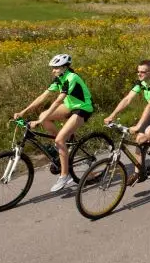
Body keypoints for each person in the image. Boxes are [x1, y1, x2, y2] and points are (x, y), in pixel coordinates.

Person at [13, 53, 95, 192]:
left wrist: (40, 121)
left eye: (56, 68)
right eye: (53, 68)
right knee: (45, 115)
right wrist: (23, 112)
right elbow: (43, 96)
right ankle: (63, 144)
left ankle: (65, 175)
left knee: (58, 137)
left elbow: (57, 101)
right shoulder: (59, 78)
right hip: (70, 106)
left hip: (82, 108)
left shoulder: (71, 78)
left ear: (64, 67)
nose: (53, 70)